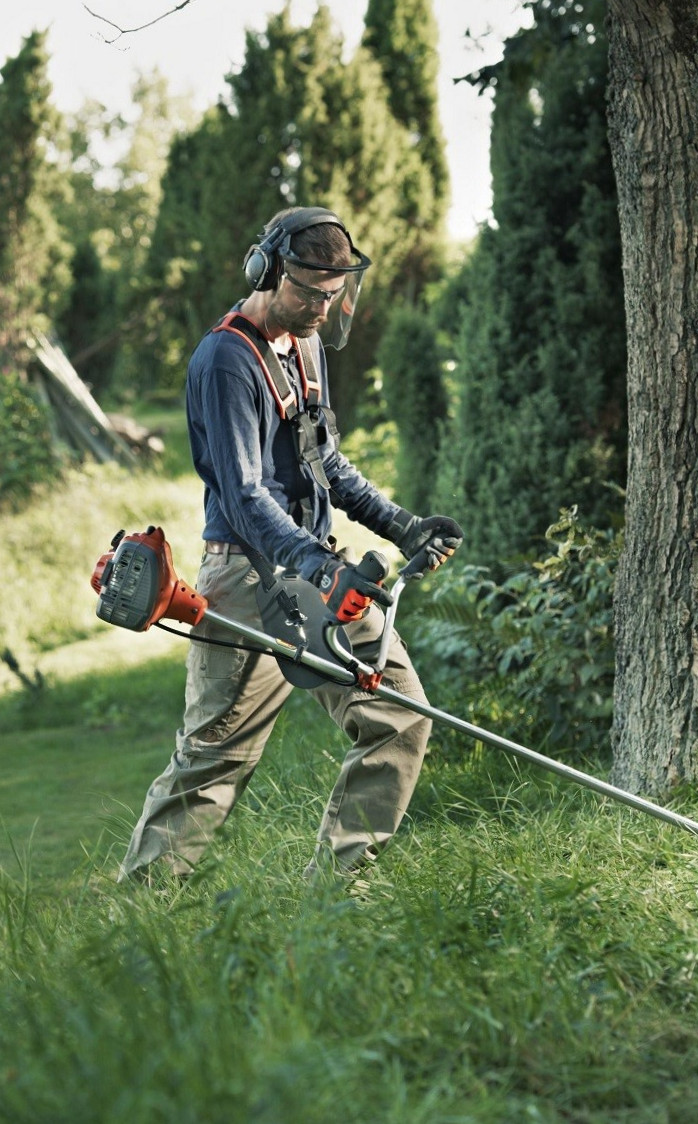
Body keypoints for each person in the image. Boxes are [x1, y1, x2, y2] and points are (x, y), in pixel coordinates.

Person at [119, 206, 464, 884]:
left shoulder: (305, 350)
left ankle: (340, 895)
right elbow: (245, 495)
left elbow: (327, 463)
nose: (318, 307)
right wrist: (314, 562)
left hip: (316, 570)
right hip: (250, 579)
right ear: (266, 270)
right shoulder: (226, 360)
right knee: (214, 759)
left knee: (398, 716)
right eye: (306, 291)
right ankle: (140, 918)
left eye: (331, 294)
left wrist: (400, 523)